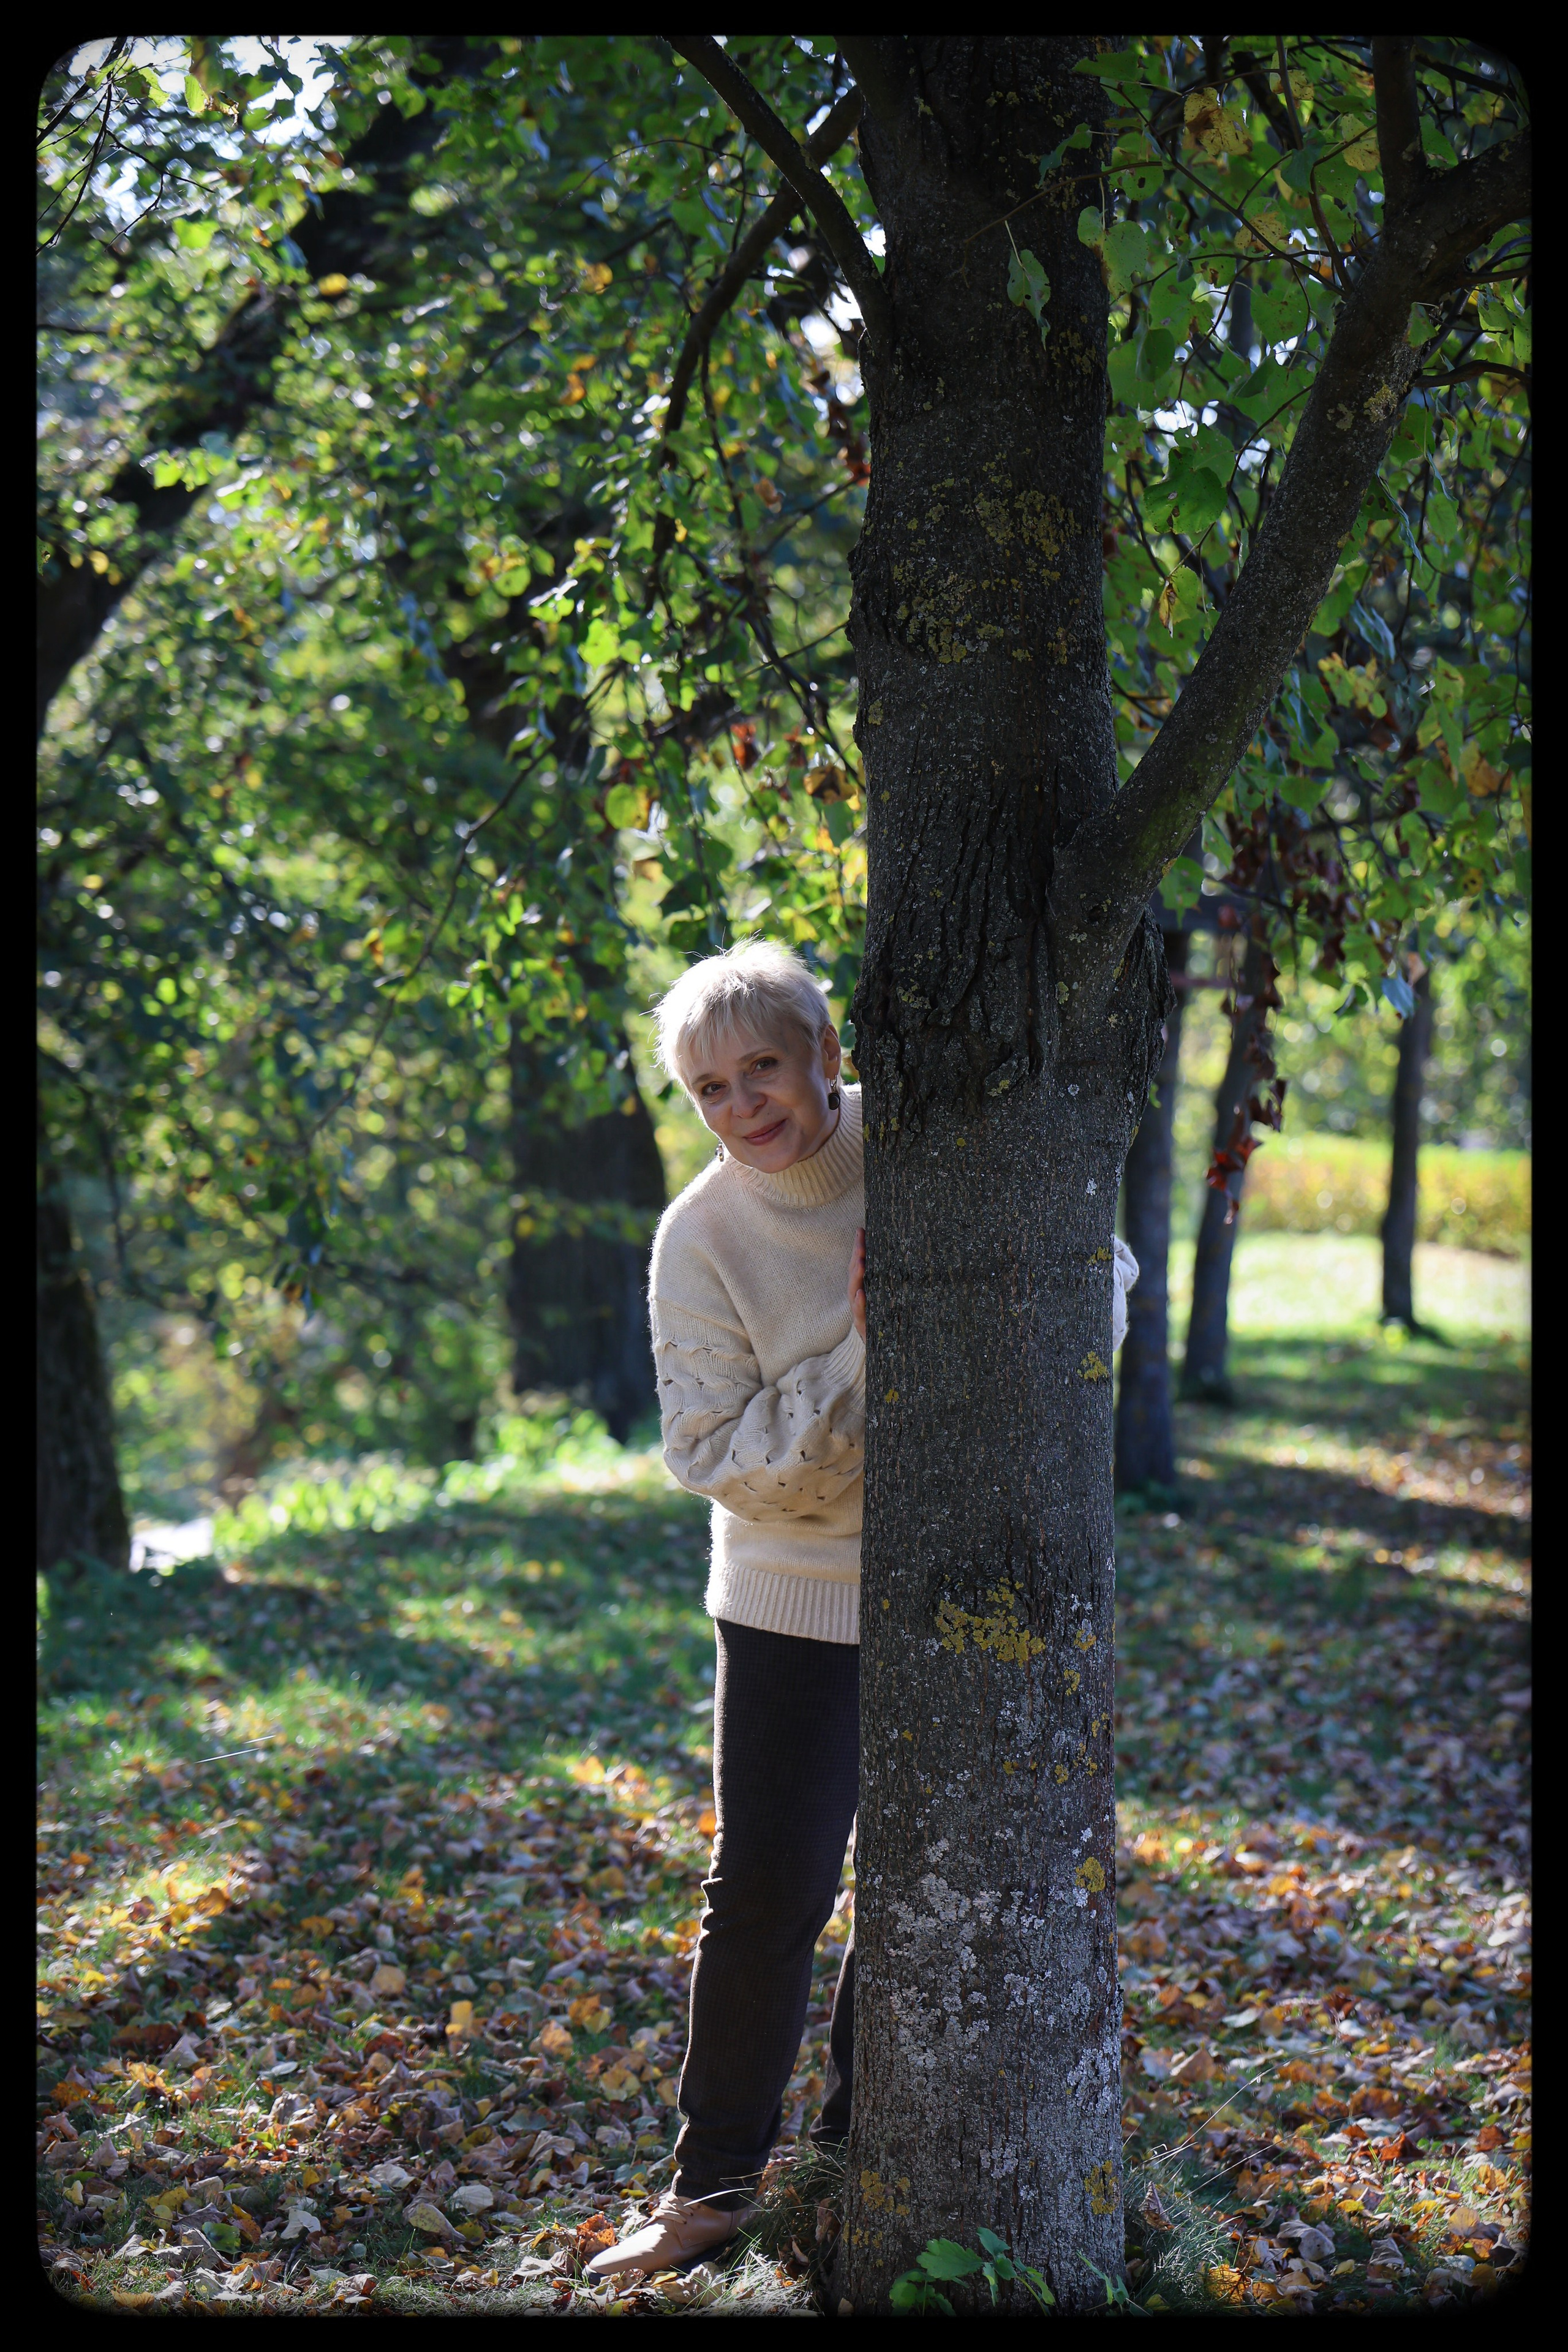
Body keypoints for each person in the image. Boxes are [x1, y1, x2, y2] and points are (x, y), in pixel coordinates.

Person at [588, 940, 1137, 2281]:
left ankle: (845, 2165)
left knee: (915, 1901)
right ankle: (708, 2186)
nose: (738, 1106)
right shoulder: (700, 1236)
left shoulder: (928, 1156)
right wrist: (869, 1347)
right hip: (787, 1601)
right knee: (766, 1890)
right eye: (706, 1088)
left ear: (824, 1052)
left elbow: (1098, 1274)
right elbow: (713, 1456)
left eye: (759, 1066)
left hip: (960, 1588)